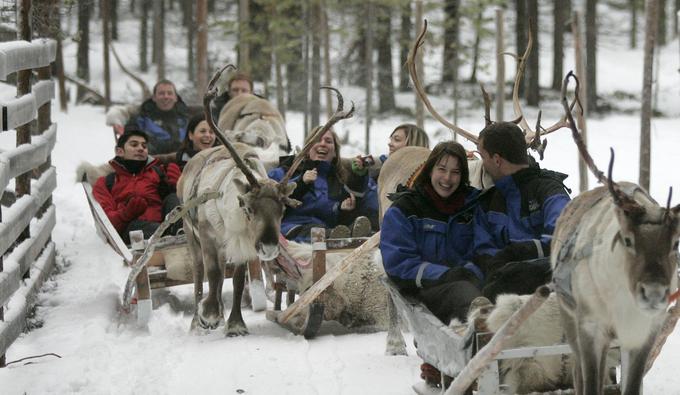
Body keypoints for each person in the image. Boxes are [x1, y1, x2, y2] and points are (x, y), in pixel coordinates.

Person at [380, 141, 484, 390]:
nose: (447, 178)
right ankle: (477, 362)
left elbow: (486, 247)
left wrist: (475, 271)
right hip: (427, 287)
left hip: (471, 282)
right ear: (430, 170)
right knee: (465, 295)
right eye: (442, 169)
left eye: (456, 172)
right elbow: (398, 262)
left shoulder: (474, 205)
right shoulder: (406, 209)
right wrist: (445, 274)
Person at [472, 122, 571, 301]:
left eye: (483, 157)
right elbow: (483, 251)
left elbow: (563, 237)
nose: (482, 164)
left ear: (496, 160)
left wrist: (517, 255)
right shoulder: (486, 203)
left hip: (553, 286)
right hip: (502, 288)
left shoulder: (549, 191)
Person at [268, 128, 375, 242]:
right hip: (291, 230)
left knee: (330, 231)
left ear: (335, 152)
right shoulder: (285, 173)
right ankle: (342, 239)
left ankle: (354, 237)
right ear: (308, 148)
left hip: (324, 229)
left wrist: (342, 209)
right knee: (321, 232)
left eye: (328, 141)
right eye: (318, 140)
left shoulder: (338, 181)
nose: (323, 144)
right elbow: (271, 203)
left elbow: (340, 218)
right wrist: (301, 184)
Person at [92, 127, 182, 244]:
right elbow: (106, 222)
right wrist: (126, 214)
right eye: (134, 145)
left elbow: (183, 201)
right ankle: (175, 237)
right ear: (120, 151)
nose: (140, 148)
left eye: (144, 146)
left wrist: (178, 185)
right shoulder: (107, 182)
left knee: (173, 198)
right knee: (137, 226)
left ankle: (181, 232)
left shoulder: (159, 172)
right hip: (132, 231)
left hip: (164, 223)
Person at [126, 79, 190, 155]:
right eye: (161, 93)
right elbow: (131, 140)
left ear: (176, 97)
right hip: (150, 161)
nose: (166, 97)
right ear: (154, 98)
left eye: (169, 93)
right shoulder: (141, 118)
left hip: (183, 162)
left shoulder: (186, 118)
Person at [352, 123, 430, 180]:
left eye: (397, 140)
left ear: (413, 144)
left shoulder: (426, 176)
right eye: (391, 139)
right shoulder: (382, 163)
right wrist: (362, 172)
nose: (389, 144)